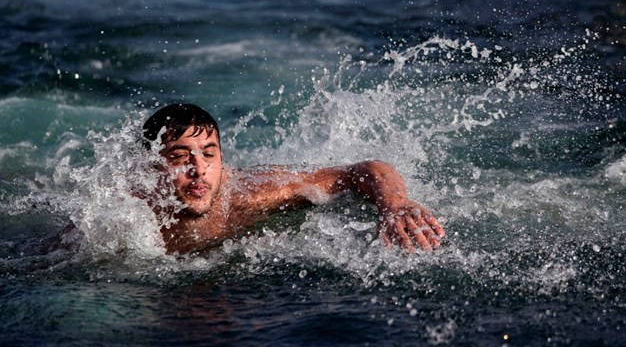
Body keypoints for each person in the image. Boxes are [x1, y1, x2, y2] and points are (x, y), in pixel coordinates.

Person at [140, 103, 445, 255]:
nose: (199, 169)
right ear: (152, 166)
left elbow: (365, 169)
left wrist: (394, 204)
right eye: (180, 157)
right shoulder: (127, 212)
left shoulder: (247, 197)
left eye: (209, 154)